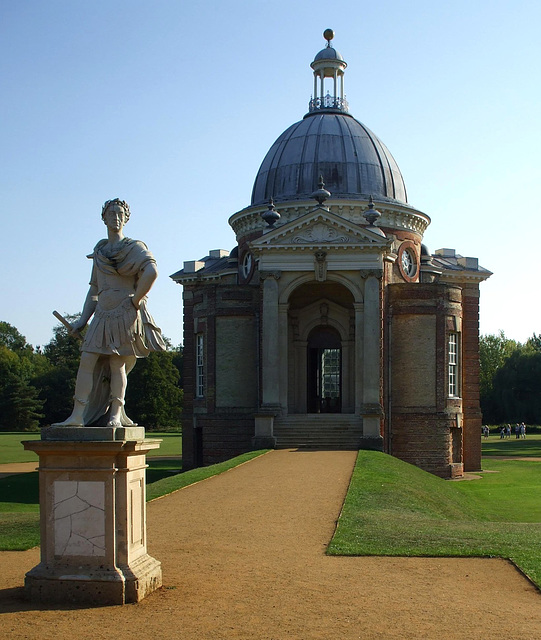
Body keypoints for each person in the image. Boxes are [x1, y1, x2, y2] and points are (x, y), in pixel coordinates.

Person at [54, 198, 166, 427]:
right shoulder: (100, 251)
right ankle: (78, 415)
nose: (115, 217)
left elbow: (152, 271)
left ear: (126, 218)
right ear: (103, 218)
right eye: (111, 213)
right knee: (87, 360)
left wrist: (135, 301)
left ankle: (116, 413)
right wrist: (82, 320)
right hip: (102, 313)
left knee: (117, 364)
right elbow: (94, 290)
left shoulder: (134, 248)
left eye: (119, 214)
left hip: (124, 313)